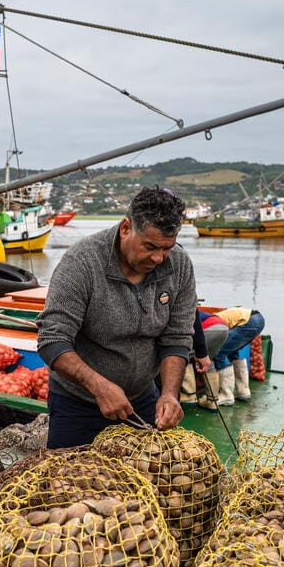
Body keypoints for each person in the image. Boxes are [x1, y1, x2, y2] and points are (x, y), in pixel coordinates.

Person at [37, 186, 196, 448]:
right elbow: (52, 339)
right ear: (126, 228)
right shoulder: (82, 262)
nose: (158, 257)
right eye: (150, 246)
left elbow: (177, 337)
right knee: (69, 484)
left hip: (143, 402)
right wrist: (99, 387)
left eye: (166, 248)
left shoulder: (178, 264)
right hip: (78, 405)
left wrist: (169, 394)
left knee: (143, 482)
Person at [212, 307, 266, 406]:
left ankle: (226, 395)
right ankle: (243, 391)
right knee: (233, 351)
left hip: (249, 321)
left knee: (219, 353)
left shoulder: (212, 323)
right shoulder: (216, 317)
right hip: (258, 319)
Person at [181, 310, 229, 411]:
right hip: (224, 328)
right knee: (208, 361)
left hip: (208, 328)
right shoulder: (193, 308)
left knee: (185, 355)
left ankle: (189, 396)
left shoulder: (184, 309)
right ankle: (212, 402)